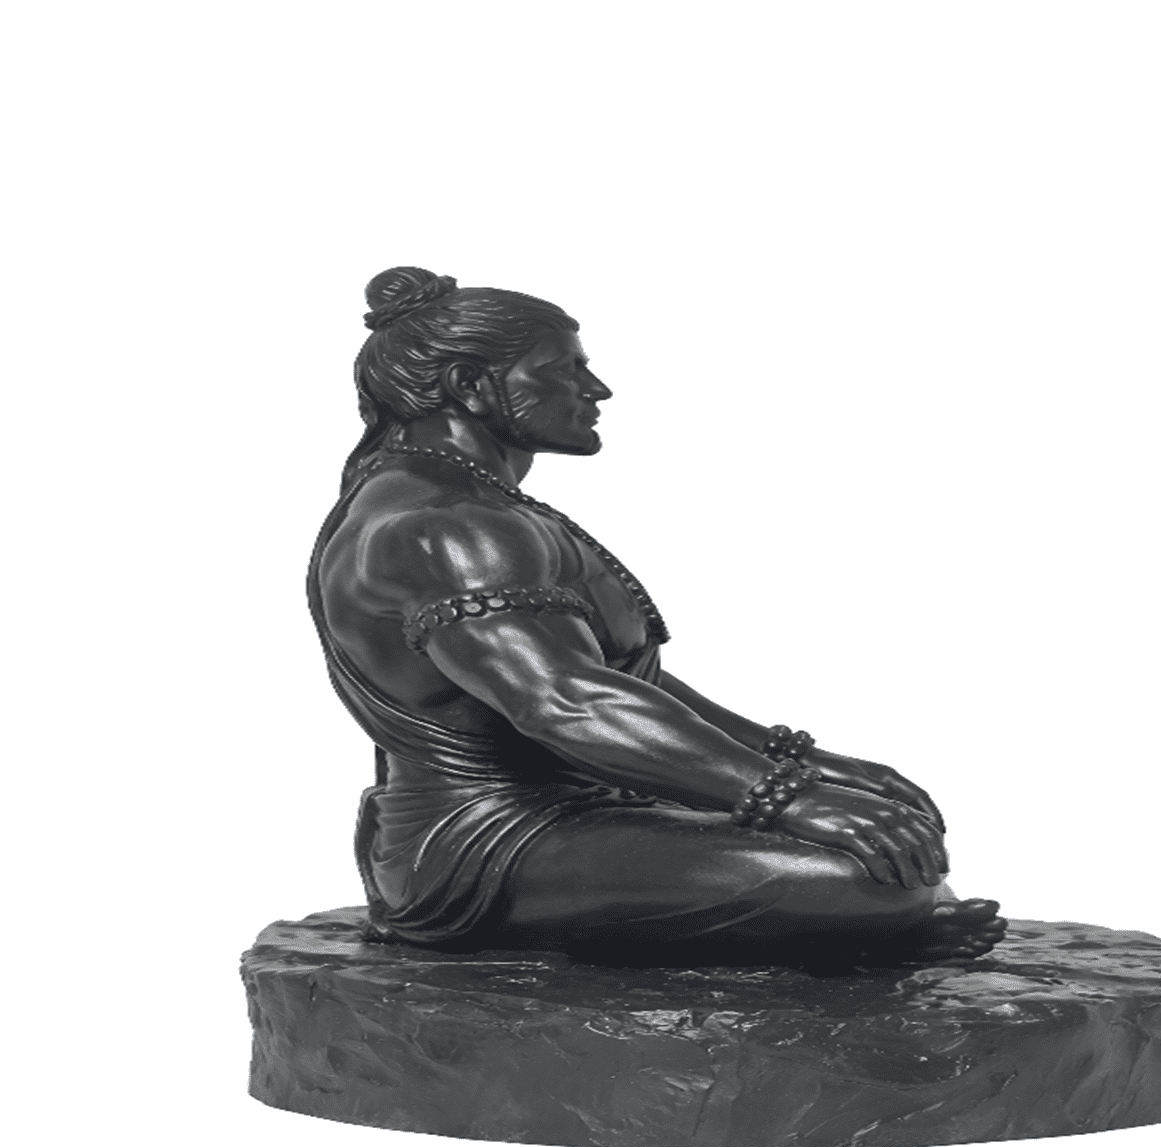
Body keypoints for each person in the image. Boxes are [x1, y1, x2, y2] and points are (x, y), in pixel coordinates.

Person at [312, 267, 1005, 961]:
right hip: (484, 844)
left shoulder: (477, 506)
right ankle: (858, 934)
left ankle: (856, 933)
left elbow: (628, 686)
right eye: (564, 370)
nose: (597, 389)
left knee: (896, 838)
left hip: (589, 805)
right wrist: (787, 798)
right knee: (869, 880)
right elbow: (566, 700)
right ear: (470, 384)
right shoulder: (445, 523)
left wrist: (802, 762)